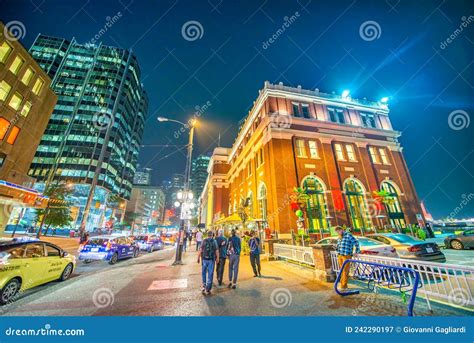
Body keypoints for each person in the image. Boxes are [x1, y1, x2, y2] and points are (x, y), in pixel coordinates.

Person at [197, 230, 219, 295]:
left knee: (204, 272)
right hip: (211, 260)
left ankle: (204, 286)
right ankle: (208, 288)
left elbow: (200, 249)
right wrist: (217, 258)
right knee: (210, 273)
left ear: (207, 235)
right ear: (212, 235)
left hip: (204, 259)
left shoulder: (204, 241)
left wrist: (198, 257)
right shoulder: (214, 241)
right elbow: (217, 250)